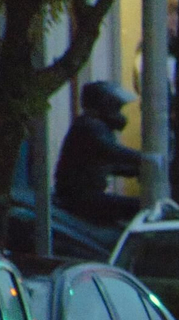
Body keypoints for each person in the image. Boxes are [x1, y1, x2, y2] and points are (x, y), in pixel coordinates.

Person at [54, 81, 145, 228]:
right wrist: (147, 159)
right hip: (80, 198)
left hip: (84, 196)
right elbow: (113, 152)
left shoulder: (95, 126)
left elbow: (108, 164)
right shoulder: (90, 126)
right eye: (116, 107)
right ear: (105, 105)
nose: (119, 113)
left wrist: (135, 170)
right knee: (142, 207)